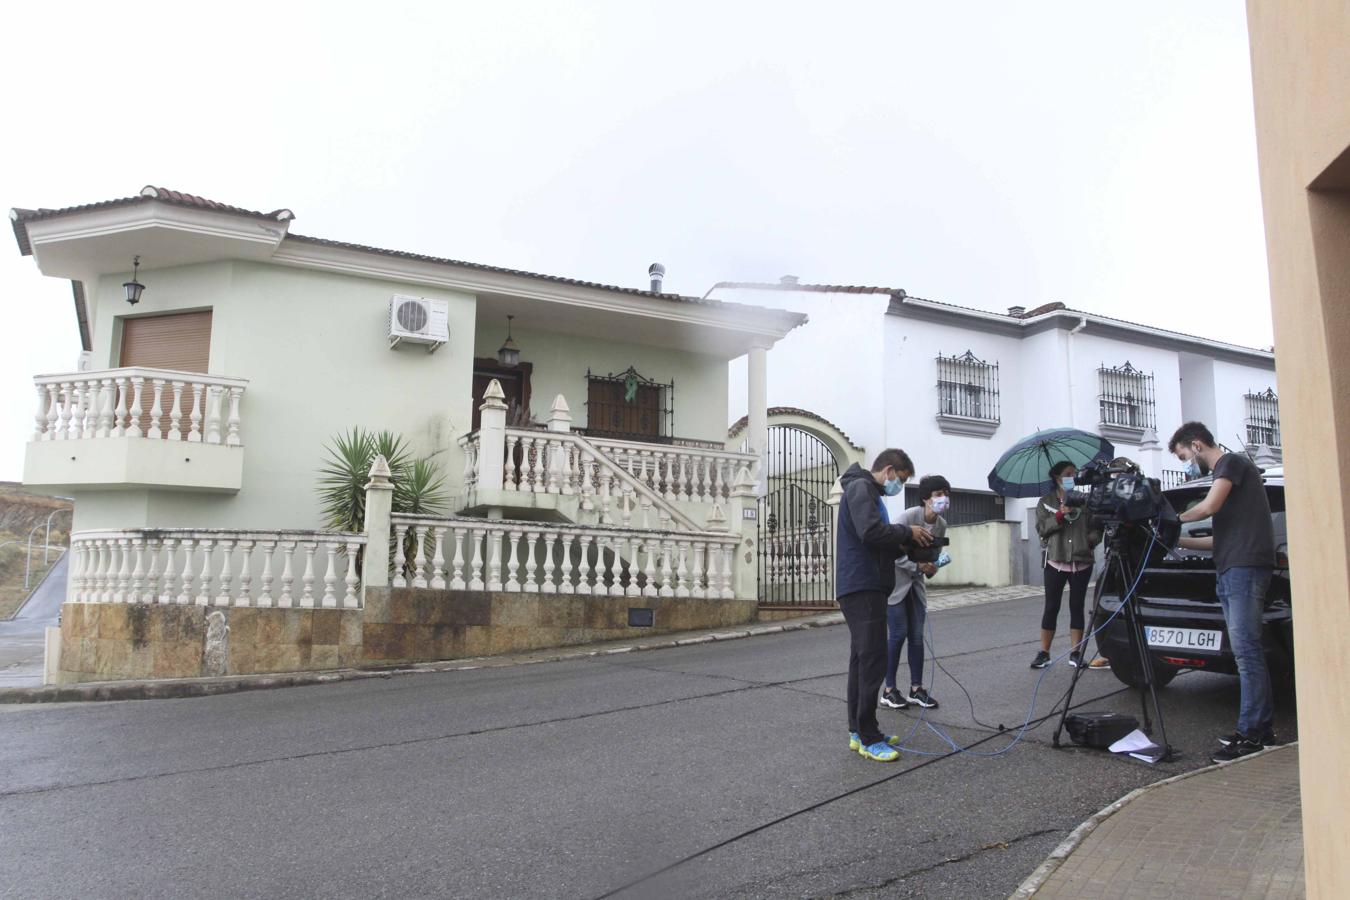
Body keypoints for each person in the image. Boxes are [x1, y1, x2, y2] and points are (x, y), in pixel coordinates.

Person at [1170, 422, 1277, 762]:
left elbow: (1208, 507)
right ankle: (1261, 730)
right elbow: (1218, 540)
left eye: (1185, 456)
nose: (1188, 464)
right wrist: (1176, 539)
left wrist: (1170, 519)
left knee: (1247, 653)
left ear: (1197, 445)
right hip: (1232, 567)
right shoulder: (1231, 481)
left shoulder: (1229, 465)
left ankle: (1251, 735)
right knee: (1246, 652)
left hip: (1244, 570)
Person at [836, 449, 933, 762]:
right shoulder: (862, 488)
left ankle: (858, 730)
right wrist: (907, 531)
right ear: (889, 470)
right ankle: (869, 736)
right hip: (863, 586)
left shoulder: (864, 489)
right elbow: (871, 532)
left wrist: (906, 546)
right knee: (873, 660)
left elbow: (876, 540)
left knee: (862, 660)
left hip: (864, 584)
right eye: (901, 480)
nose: (899, 487)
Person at [880, 475, 950, 711]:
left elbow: (933, 557)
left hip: (916, 587)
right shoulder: (907, 518)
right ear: (925, 499)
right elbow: (891, 551)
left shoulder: (941, 524)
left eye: (945, 494)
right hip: (897, 585)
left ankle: (916, 689)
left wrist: (932, 567)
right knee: (897, 634)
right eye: (938, 494)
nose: (943, 499)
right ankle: (889, 690)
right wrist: (916, 566)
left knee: (917, 637)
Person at [1032, 460, 1101, 670]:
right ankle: (1044, 652)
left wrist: (1091, 540)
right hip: (1056, 561)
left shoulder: (1085, 501)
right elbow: (1042, 529)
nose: (1072, 476)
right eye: (1067, 473)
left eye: (1074, 473)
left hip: (1081, 561)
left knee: (1077, 606)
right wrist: (1061, 514)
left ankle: (1076, 652)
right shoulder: (1045, 502)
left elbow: (1097, 527)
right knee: (1051, 606)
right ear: (1057, 477)